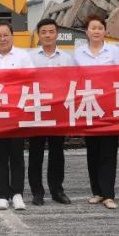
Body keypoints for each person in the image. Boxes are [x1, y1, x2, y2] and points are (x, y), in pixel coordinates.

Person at [73, 14, 119, 210]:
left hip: (109, 106)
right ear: (86, 32)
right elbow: (73, 78)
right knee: (93, 151)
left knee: (108, 151)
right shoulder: (79, 53)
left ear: (105, 31)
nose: (96, 31)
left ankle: (109, 194)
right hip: (88, 105)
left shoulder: (113, 51)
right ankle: (97, 192)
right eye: (92, 28)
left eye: (100, 28)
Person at [0, 21, 33, 211]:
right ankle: (2, 194)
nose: (2, 39)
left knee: (17, 155)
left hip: (16, 112)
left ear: (12, 36)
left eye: (6, 35)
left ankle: (17, 193)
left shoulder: (22, 56)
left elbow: (31, 79)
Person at [28, 18, 74, 205]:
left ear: (57, 34)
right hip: (36, 110)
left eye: (51, 32)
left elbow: (73, 82)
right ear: (38, 35)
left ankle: (57, 190)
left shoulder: (66, 58)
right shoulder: (29, 57)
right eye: (44, 32)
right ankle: (37, 192)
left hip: (58, 110)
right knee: (35, 152)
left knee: (57, 152)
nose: (48, 35)